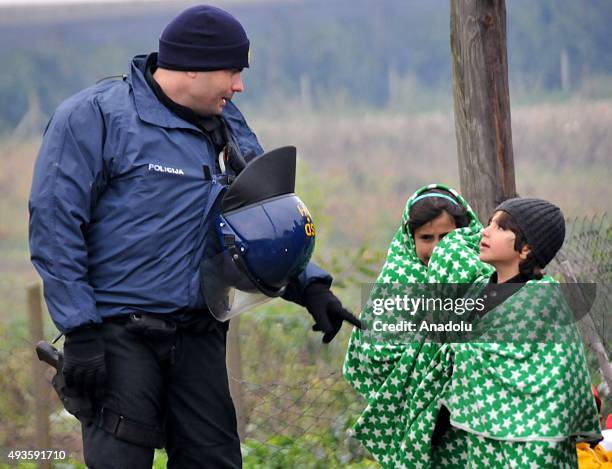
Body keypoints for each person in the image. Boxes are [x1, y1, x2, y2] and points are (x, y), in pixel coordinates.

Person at [28, 5, 359, 468]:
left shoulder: (229, 125)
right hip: (120, 335)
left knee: (216, 461)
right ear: (193, 66)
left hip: (200, 331)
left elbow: (262, 214)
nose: (238, 86)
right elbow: (55, 225)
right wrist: (81, 331)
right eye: (232, 72)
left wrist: (311, 286)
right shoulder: (95, 116)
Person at [430, 198, 601, 468]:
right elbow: (450, 248)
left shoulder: (542, 301)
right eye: (489, 224)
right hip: (482, 439)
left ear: (525, 250)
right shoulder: (479, 290)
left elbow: (561, 377)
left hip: (534, 446)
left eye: (500, 228)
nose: (485, 231)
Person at [343, 183, 491, 467]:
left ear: (466, 234)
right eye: (426, 238)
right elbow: (375, 353)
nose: (437, 248)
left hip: (473, 419)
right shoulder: (397, 283)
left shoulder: (482, 276)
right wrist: (428, 367)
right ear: (410, 240)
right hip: (417, 419)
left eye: (446, 236)